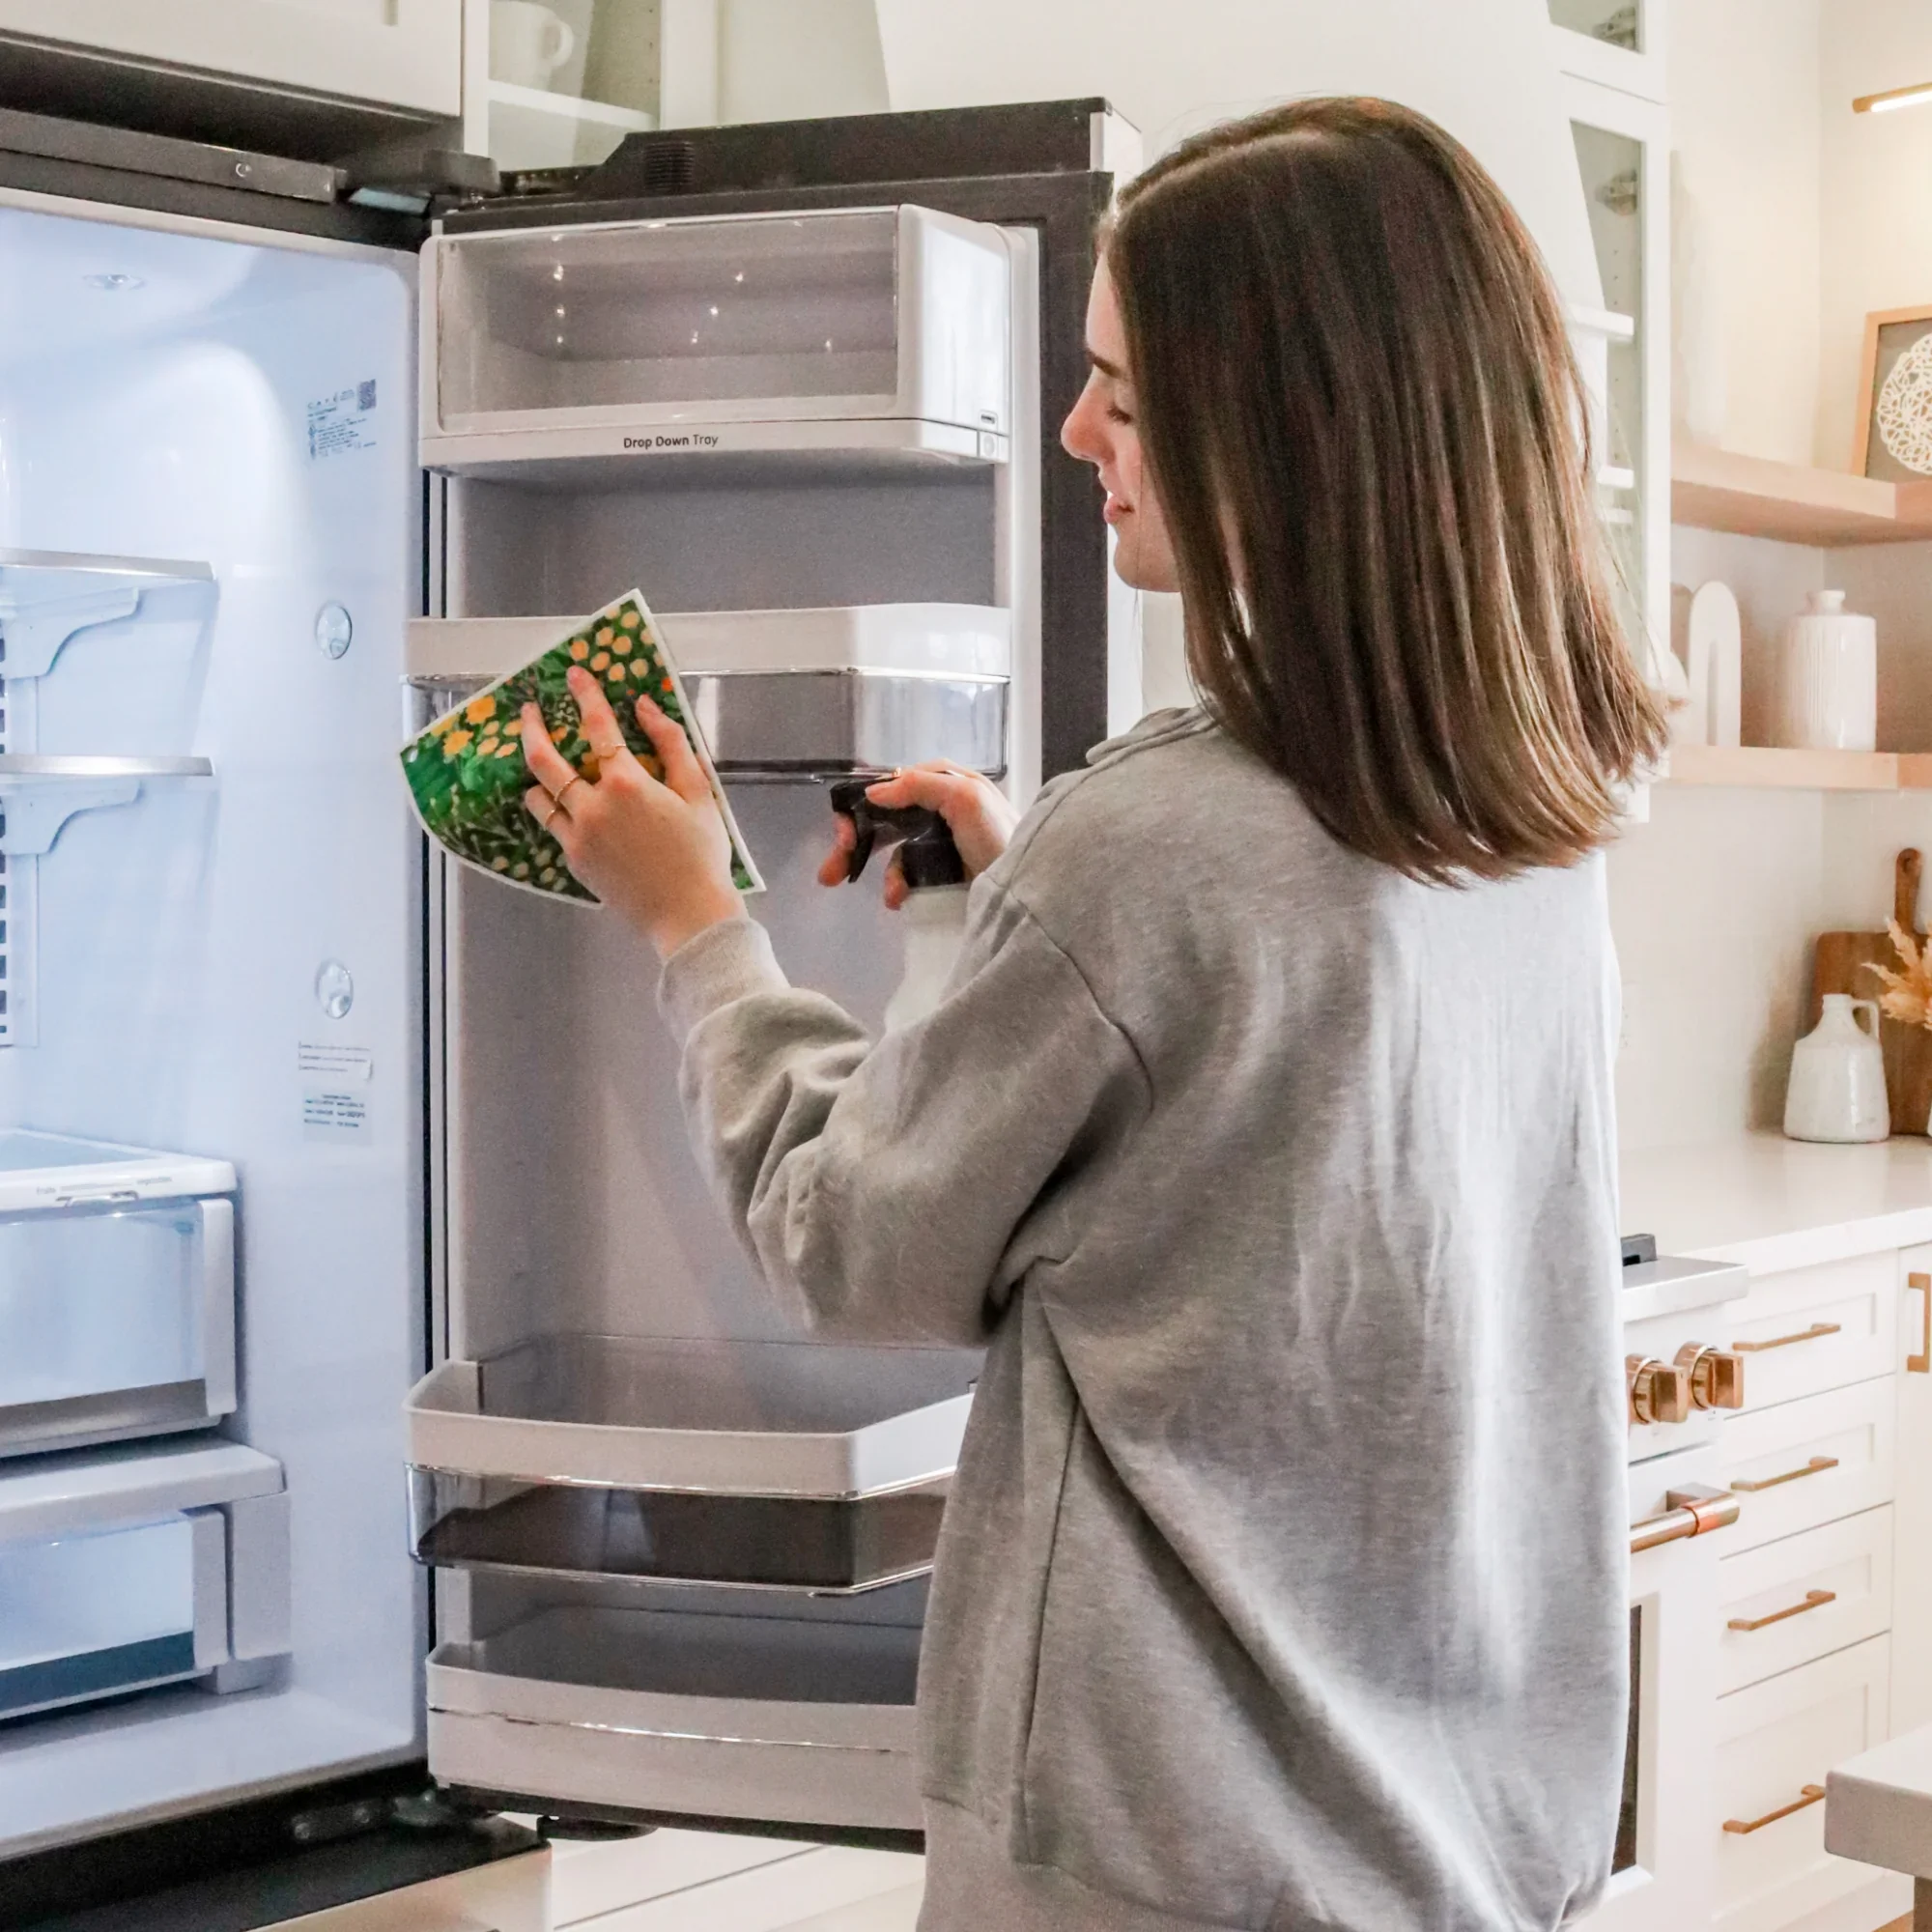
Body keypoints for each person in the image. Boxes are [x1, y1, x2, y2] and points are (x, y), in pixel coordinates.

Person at [519, 96, 1666, 1932]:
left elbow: (857, 1249)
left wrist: (699, 924)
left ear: (1280, 441)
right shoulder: (1529, 815)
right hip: (1457, 1849)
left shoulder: (1148, 850)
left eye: (1125, 397)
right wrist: (1000, 908)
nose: (1075, 435)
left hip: (1159, 1861)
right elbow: (1210, 1180)